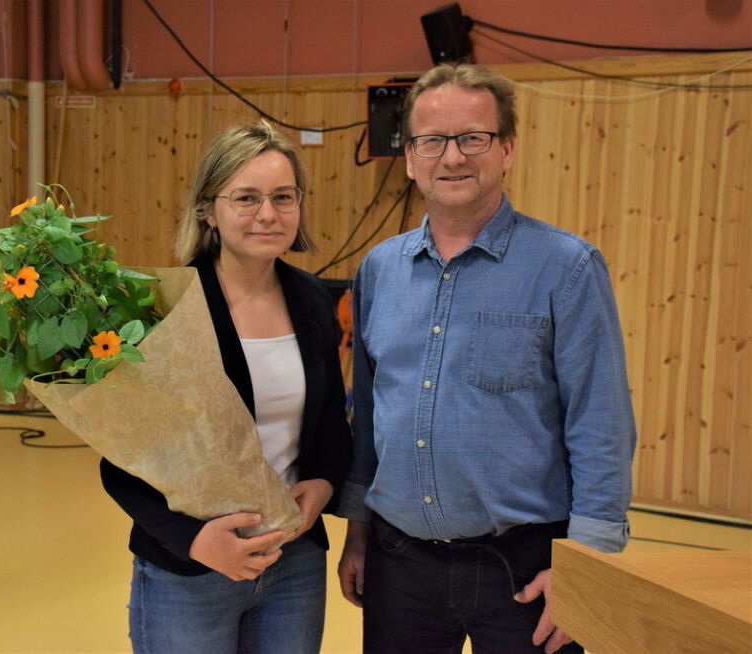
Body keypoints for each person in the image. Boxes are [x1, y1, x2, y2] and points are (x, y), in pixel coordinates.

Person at [336, 63, 636, 654]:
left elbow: (600, 424)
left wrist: (588, 569)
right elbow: (369, 419)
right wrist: (359, 534)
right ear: (411, 156)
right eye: (432, 141)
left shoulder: (566, 268)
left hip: (526, 571)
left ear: (507, 150)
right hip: (400, 567)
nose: (452, 158)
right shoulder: (378, 270)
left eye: (472, 138)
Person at [100, 119, 353, 654]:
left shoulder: (310, 299)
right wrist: (195, 541)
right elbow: (122, 461)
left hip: (293, 561)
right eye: (246, 198)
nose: (268, 214)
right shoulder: (164, 310)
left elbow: (329, 425)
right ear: (207, 210)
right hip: (190, 569)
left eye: (283, 197)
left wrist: (326, 483)